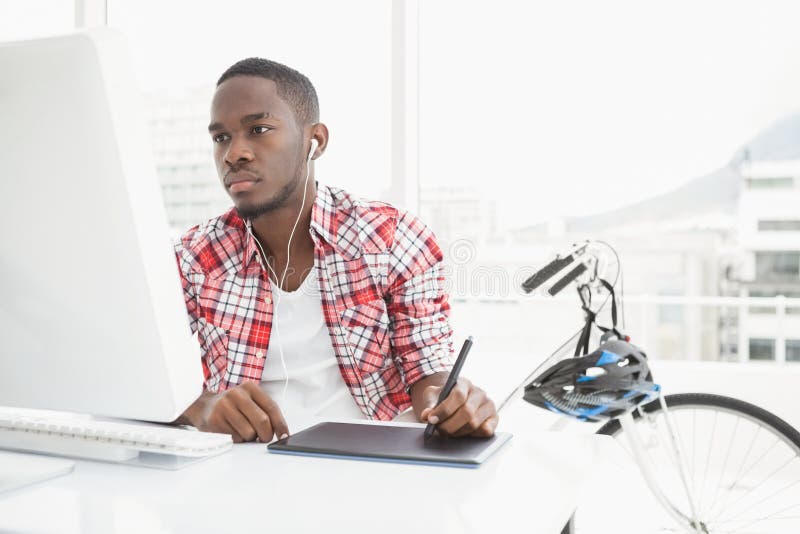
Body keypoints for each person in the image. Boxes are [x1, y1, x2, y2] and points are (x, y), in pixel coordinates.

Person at [173, 57, 498, 443]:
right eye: (221, 137)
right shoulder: (194, 256)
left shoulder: (391, 237)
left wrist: (451, 403)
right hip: (243, 469)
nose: (233, 153)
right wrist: (203, 408)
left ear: (316, 141)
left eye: (258, 129)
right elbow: (148, 392)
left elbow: (428, 372)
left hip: (369, 467)